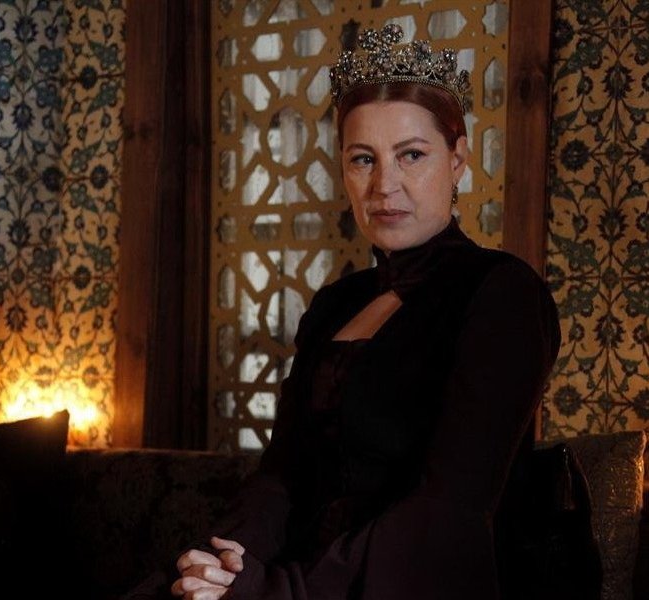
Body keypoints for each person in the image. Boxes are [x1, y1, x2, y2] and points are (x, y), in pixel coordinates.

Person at [128, 24, 598, 600]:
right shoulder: (335, 304)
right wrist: (225, 564)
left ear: (458, 159)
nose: (383, 185)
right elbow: (282, 475)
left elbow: (447, 507)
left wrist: (279, 591)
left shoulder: (503, 292)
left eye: (412, 155)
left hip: (414, 581)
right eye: (362, 159)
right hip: (294, 570)